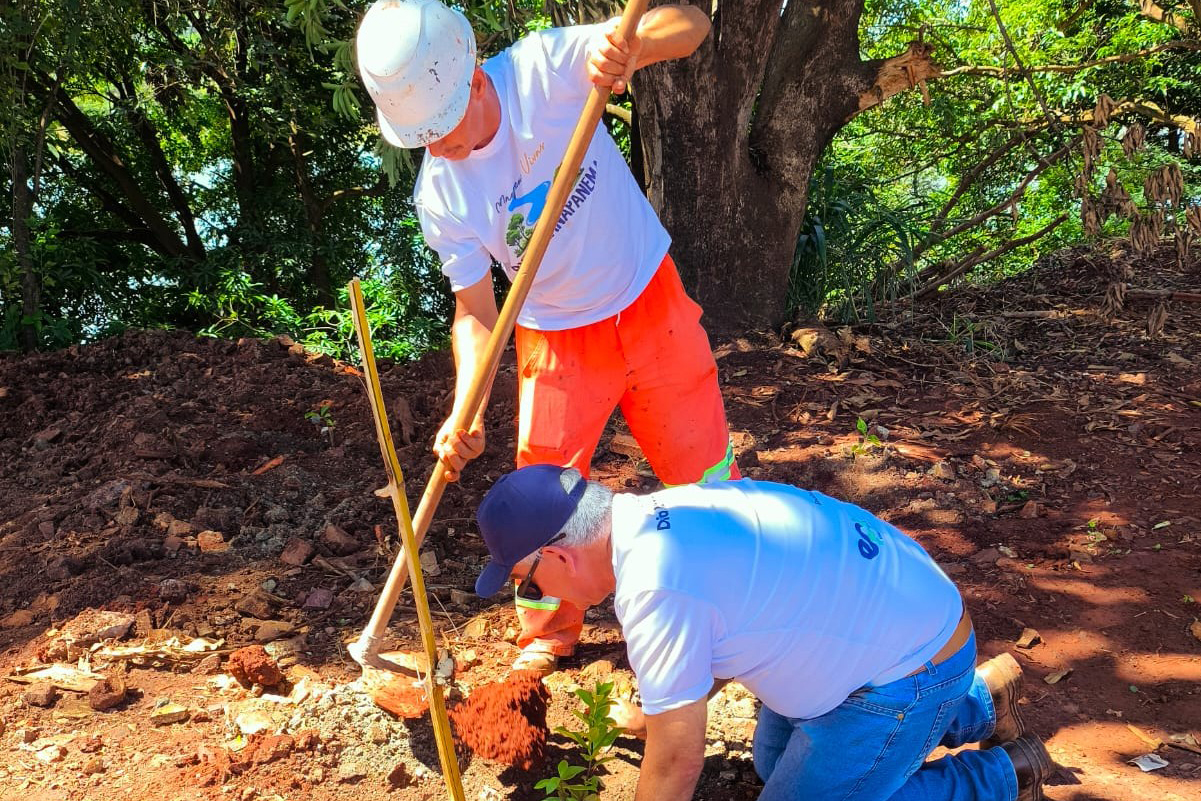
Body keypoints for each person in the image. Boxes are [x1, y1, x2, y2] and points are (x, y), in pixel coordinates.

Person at [356, 0, 739, 675]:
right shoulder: (440, 196)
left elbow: (693, 26)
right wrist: (462, 407)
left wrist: (631, 50)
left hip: (649, 301)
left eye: (443, 127)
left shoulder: (542, 70)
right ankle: (546, 630)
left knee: (704, 466)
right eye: (421, 137)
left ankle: (742, 591)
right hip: (556, 338)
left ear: (475, 79)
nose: (438, 147)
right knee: (539, 496)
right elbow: (475, 311)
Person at [472, 465, 1057, 801]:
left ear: (558, 555)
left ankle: (1002, 775)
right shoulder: (666, 513)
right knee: (772, 761)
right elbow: (718, 648)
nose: (535, 596)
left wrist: (663, 729)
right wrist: (656, 712)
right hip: (910, 626)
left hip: (907, 673)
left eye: (528, 582)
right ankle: (981, 700)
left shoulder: (655, 587)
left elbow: (677, 762)